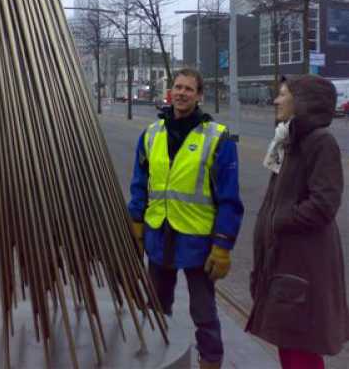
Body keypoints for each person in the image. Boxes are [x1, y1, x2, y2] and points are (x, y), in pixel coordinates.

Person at [128, 68, 244, 369]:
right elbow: (140, 182)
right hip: (158, 235)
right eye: (177, 87)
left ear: (199, 95)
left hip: (197, 241)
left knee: (204, 313)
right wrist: (135, 220)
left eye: (188, 89)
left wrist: (223, 245)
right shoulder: (151, 134)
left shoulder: (218, 138)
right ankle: (154, 356)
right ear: (171, 91)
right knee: (155, 306)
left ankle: (210, 361)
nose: (181, 93)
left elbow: (230, 199)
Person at [246, 75, 349, 369]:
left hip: (304, 264)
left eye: (282, 94)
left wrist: (280, 220)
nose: (276, 101)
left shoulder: (319, 142)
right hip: (286, 259)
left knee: (300, 346)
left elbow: (324, 204)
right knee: (289, 342)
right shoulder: (290, 141)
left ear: (301, 103)